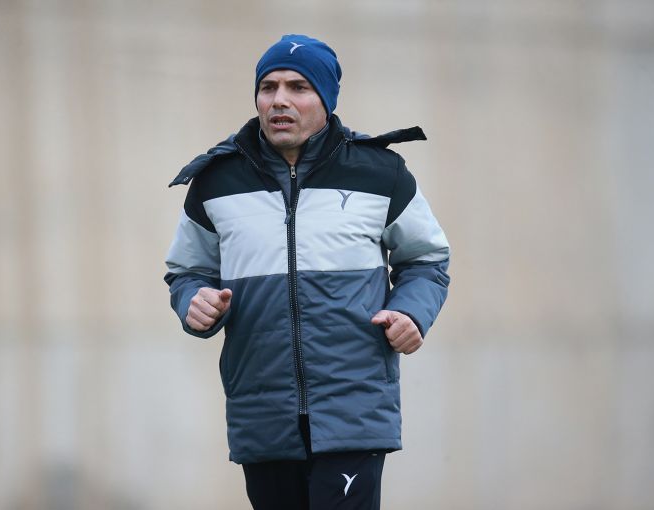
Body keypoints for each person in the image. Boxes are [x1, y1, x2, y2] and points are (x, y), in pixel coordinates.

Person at [165, 34, 450, 510]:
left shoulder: (382, 173)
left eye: (298, 87)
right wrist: (193, 301)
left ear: (327, 98)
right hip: (262, 413)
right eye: (268, 87)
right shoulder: (216, 181)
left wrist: (410, 313)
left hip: (354, 411)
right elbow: (188, 270)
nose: (279, 100)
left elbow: (426, 261)